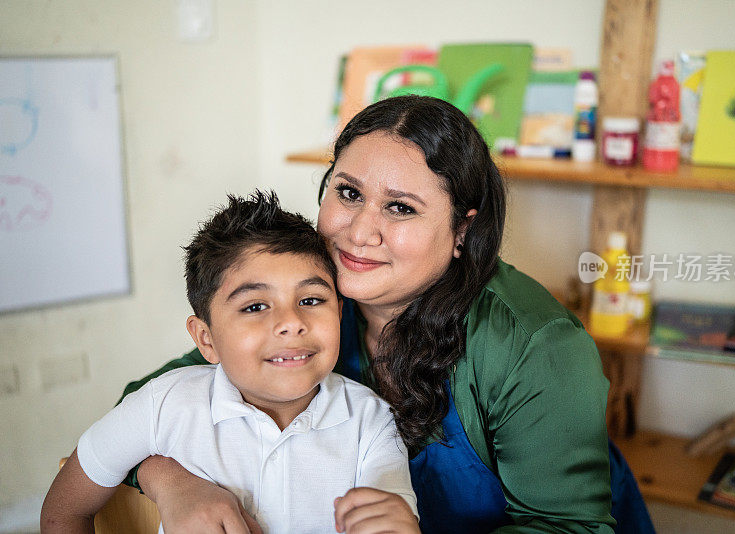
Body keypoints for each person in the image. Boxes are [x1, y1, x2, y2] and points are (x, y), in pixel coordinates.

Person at [113, 96, 643, 533]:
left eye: (400, 207)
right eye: (348, 193)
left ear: (462, 230)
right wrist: (172, 480)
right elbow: (149, 405)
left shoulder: (536, 346)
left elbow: (567, 528)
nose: (359, 233)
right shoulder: (313, 301)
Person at [40, 191, 417, 534]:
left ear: (339, 313)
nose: (291, 323)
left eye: (311, 300)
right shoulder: (164, 404)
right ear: (206, 338)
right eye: (255, 306)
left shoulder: (371, 423)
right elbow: (64, 510)